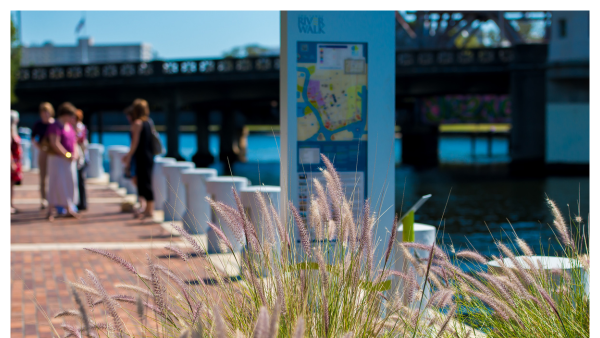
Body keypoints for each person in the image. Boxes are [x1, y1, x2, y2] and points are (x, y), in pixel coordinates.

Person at [46, 102, 80, 221]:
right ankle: (50, 210)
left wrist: (74, 153)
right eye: (71, 115)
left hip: (68, 161)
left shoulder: (69, 126)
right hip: (57, 159)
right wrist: (67, 154)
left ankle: (68, 208)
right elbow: (54, 143)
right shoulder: (55, 126)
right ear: (65, 114)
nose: (73, 118)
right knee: (56, 183)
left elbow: (74, 141)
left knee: (69, 183)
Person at [122, 99, 155, 220]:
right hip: (149, 156)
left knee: (144, 182)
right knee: (145, 181)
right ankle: (147, 209)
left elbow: (134, 143)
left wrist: (128, 156)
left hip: (141, 156)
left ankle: (149, 210)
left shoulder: (137, 123)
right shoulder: (148, 122)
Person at [31, 102, 55, 209]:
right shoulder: (38, 124)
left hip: (54, 152)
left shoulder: (54, 124)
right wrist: (39, 147)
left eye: (47, 112)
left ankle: (54, 199)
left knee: (54, 176)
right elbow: (33, 138)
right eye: (43, 112)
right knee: (43, 177)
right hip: (44, 151)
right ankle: (43, 199)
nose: (45, 114)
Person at [75, 109, 88, 211]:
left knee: (79, 180)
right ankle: (81, 202)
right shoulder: (82, 127)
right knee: (80, 180)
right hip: (81, 156)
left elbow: (81, 142)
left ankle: (81, 203)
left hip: (79, 157)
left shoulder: (78, 128)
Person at [11, 111, 22, 215]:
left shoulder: (14, 130)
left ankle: (11, 203)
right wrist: (11, 163)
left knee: (12, 184)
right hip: (12, 161)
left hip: (16, 161)